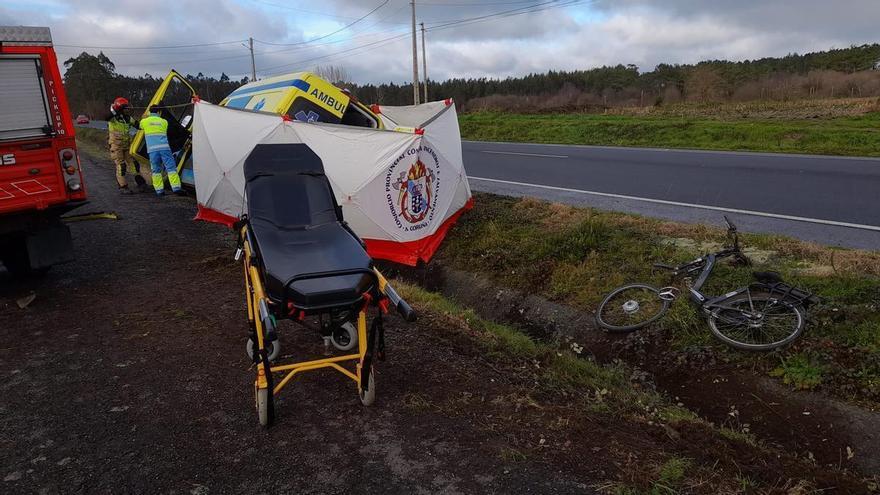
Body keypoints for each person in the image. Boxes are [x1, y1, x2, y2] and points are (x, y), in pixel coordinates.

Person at [106, 97, 149, 194]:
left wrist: (147, 121)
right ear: (120, 109)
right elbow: (107, 117)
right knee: (121, 166)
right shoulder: (113, 119)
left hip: (126, 145)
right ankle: (123, 187)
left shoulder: (128, 118)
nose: (127, 110)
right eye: (125, 108)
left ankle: (141, 184)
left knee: (134, 165)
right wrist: (114, 111)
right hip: (116, 147)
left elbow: (138, 125)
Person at [139, 105, 183, 196]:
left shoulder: (145, 121)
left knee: (156, 171)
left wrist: (144, 117)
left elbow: (139, 126)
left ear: (149, 112)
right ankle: (176, 188)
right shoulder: (164, 122)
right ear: (159, 112)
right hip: (165, 149)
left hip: (152, 151)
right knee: (171, 168)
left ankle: (159, 191)